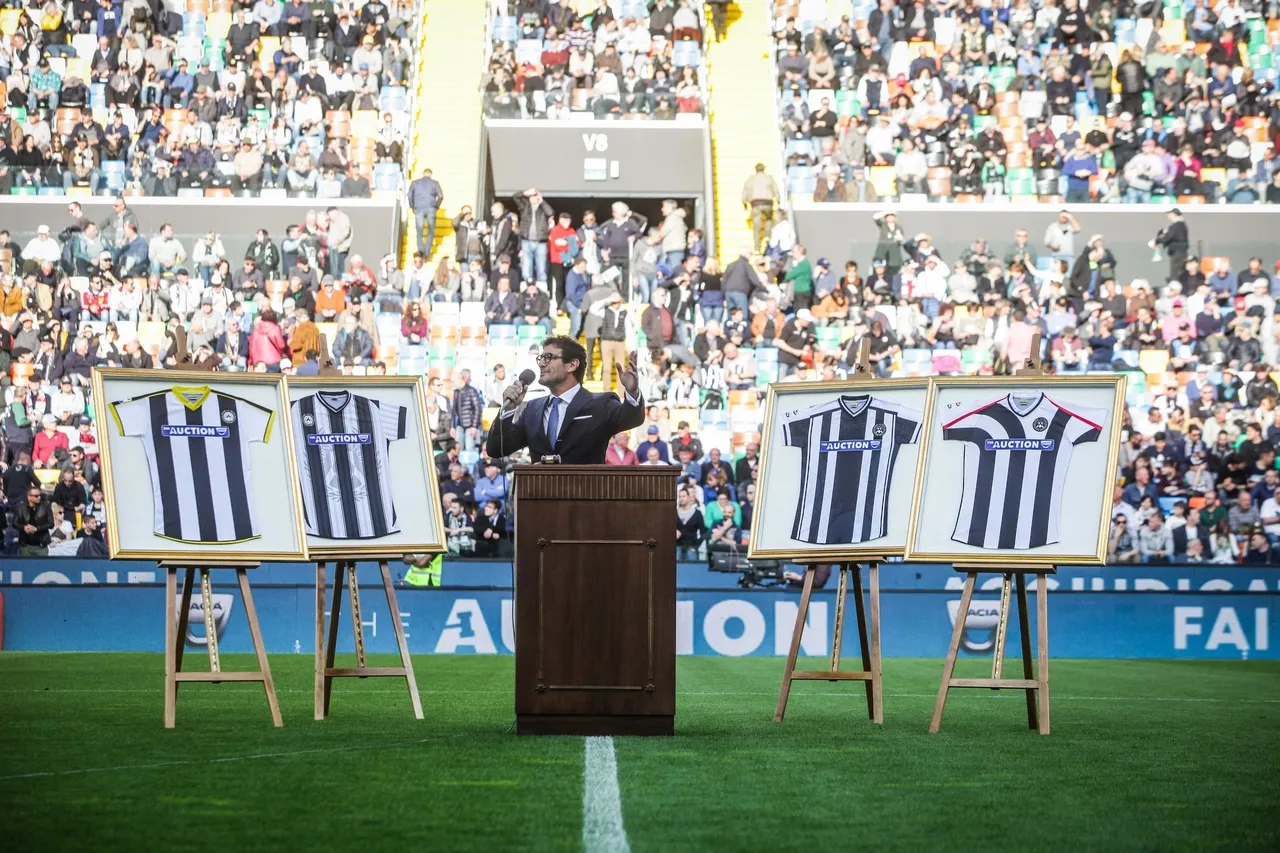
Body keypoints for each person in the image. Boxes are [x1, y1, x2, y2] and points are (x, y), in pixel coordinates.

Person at [486, 336, 645, 464]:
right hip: (540, 498)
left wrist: (632, 392)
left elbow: (631, 419)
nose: (541, 363)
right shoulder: (532, 409)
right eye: (541, 358)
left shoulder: (601, 403)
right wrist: (508, 408)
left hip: (585, 497)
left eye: (549, 357)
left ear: (572, 365)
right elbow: (497, 449)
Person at [407, 167, 443, 256]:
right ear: (431, 174)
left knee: (419, 231)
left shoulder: (415, 183)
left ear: (423, 173)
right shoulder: (434, 183)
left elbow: (409, 195)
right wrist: (436, 206)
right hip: (431, 208)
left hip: (419, 208)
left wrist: (413, 207)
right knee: (431, 231)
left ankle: (421, 252)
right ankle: (427, 252)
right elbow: (440, 196)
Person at [15, 484, 53, 557]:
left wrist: (37, 529)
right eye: (36, 496)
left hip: (41, 546)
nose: (39, 497)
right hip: (25, 547)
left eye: (40, 495)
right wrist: (24, 528)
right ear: (29, 497)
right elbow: (14, 523)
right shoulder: (21, 507)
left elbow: (51, 524)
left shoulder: (46, 506)